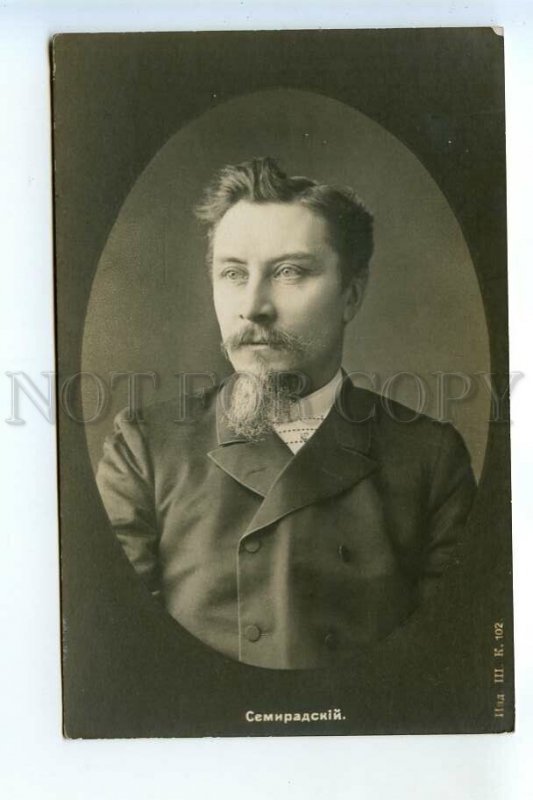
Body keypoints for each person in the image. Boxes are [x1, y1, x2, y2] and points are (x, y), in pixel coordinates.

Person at [96, 157, 477, 670]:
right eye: (233, 273)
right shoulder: (145, 449)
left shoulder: (430, 459)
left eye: (289, 272)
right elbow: (121, 656)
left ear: (351, 295)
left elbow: (446, 664)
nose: (253, 306)